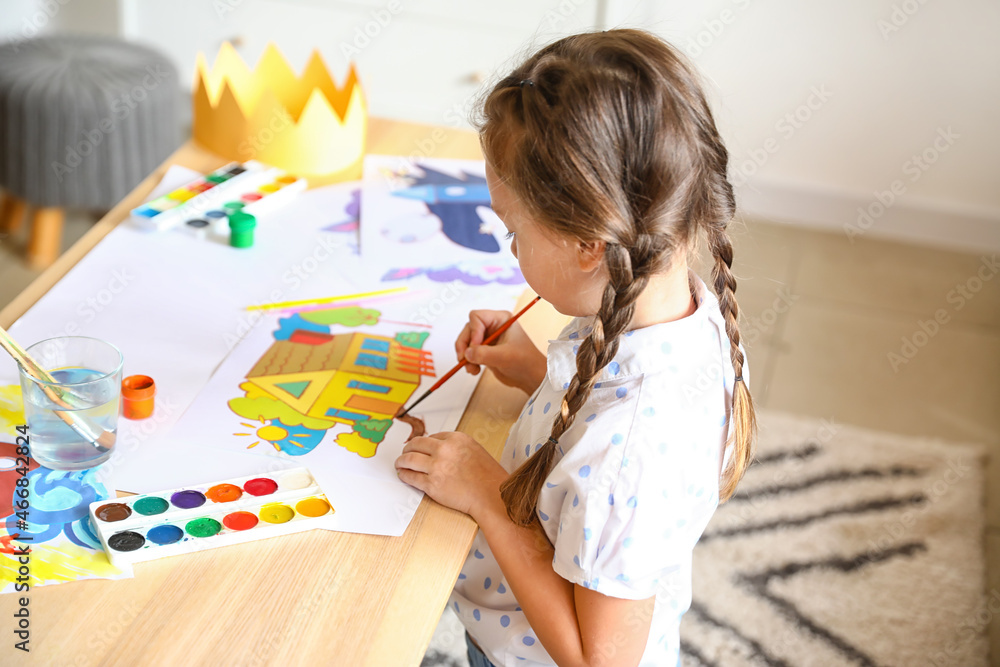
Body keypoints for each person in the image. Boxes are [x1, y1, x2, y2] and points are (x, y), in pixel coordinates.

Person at [395, 28, 756, 667]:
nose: (512, 255)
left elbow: (598, 661)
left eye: (513, 235)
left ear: (590, 244)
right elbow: (594, 451)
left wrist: (488, 495)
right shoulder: (675, 306)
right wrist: (541, 374)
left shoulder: (630, 451)